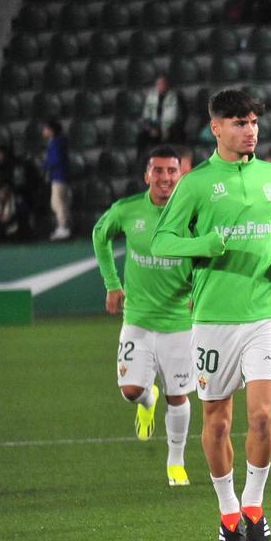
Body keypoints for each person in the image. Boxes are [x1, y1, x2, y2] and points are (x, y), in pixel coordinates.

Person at [151, 89, 271, 541]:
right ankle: (227, 510)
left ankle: (253, 505)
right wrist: (203, 246)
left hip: (266, 314)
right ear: (217, 128)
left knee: (261, 418)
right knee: (215, 421)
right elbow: (162, 242)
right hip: (214, 318)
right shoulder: (195, 185)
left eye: (253, 121)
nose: (249, 130)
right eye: (239, 122)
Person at [91, 145, 195, 486]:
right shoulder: (127, 210)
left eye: (172, 171)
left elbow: (208, 254)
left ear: (181, 175)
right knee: (131, 390)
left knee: (178, 395)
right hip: (137, 317)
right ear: (146, 175)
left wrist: (198, 292)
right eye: (159, 171)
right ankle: (146, 401)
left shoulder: (192, 214)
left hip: (180, 321)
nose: (165, 178)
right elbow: (99, 235)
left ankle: (175, 463)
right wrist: (112, 283)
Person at [137, 75, 182, 158]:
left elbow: (174, 116)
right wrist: (151, 129)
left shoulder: (174, 96)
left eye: (163, 83)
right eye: (159, 84)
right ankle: (141, 162)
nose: (161, 86)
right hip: (154, 126)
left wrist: (165, 129)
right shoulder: (151, 96)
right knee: (141, 136)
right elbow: (146, 116)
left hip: (169, 127)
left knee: (175, 134)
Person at [42, 119, 72, 240]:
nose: (43, 131)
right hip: (61, 176)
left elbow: (55, 160)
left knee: (57, 203)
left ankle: (63, 228)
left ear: (51, 130)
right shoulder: (58, 142)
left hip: (58, 177)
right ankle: (66, 227)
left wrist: (45, 164)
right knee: (62, 203)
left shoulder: (55, 143)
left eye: (45, 129)